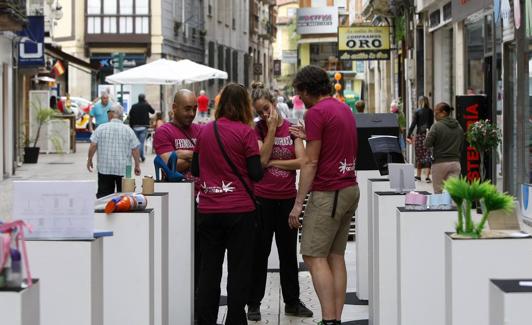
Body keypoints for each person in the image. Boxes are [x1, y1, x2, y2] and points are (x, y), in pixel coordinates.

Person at [288, 66, 360, 325]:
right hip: (350, 187)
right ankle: (335, 319)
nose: (299, 99)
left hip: (329, 191)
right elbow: (335, 142)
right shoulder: (343, 109)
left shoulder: (316, 112)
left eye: (299, 93)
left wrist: (298, 204)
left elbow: (309, 163)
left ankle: (329, 319)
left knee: (313, 255)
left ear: (307, 89)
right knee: (335, 255)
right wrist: (309, 135)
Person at [191, 83, 264, 324]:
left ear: (220, 104)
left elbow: (195, 168)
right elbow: (255, 173)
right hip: (240, 210)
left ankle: (205, 319)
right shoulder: (246, 133)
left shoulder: (205, 131)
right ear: (245, 105)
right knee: (239, 269)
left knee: (209, 270)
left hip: (209, 209)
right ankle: (235, 318)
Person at [246, 82, 312, 321]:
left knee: (287, 254)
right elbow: (260, 161)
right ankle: (253, 303)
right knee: (259, 254)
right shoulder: (256, 130)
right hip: (262, 199)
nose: (264, 114)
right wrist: (271, 130)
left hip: (286, 199)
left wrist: (275, 163)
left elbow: (302, 162)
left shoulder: (293, 129)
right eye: (259, 111)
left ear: (274, 104)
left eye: (266, 108)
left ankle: (292, 302)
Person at [152, 89, 202, 319]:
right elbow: (169, 165)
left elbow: (185, 160)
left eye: (194, 108)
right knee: (179, 254)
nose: (192, 113)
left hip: (201, 200)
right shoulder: (163, 131)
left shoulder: (201, 129)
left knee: (200, 255)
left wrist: (182, 154)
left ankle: (197, 299)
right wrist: (196, 156)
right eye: (187, 108)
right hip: (176, 203)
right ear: (174, 107)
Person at [87, 103, 141, 198]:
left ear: (111, 114)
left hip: (104, 169)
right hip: (126, 170)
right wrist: (137, 165)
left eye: (108, 112)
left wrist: (89, 159)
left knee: (104, 199)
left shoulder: (101, 128)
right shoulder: (128, 130)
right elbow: (135, 149)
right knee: (126, 198)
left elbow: (93, 145)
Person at [424, 102, 464, 194]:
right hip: (455, 163)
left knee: (438, 192)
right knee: (453, 192)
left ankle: (441, 208)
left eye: (436, 112)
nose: (435, 115)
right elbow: (461, 145)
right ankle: (454, 208)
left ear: (443, 112)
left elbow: (427, 144)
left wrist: (427, 136)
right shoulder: (459, 127)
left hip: (439, 164)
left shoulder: (436, 126)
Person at [407, 96, 434, 183]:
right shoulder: (430, 111)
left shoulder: (417, 111)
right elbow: (432, 123)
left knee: (419, 156)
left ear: (419, 102)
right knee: (428, 155)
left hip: (419, 136)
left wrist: (408, 135)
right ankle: (427, 177)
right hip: (428, 135)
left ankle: (418, 176)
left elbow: (413, 124)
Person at [129, 94, 155, 162]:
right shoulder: (146, 105)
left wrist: (131, 126)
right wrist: (148, 103)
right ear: (144, 98)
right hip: (143, 127)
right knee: (141, 143)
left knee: (136, 143)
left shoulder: (134, 106)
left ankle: (140, 156)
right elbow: (153, 111)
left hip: (135, 127)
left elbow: (130, 116)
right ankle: (141, 156)